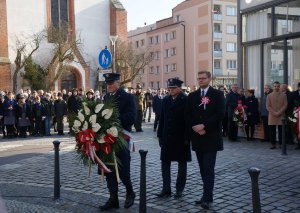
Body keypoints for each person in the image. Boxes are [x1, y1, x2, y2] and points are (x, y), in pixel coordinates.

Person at [185, 71, 225, 210]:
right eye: (199, 78)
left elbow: (220, 114)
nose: (200, 80)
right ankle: (206, 195)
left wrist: (204, 126)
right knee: (202, 168)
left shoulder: (218, 95)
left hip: (211, 137)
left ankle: (207, 198)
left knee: (208, 168)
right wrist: (195, 127)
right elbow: (188, 114)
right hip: (197, 137)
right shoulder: (192, 96)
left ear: (209, 79)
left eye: (203, 78)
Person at [99, 73, 136, 210]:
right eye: (107, 84)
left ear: (118, 83)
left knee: (123, 168)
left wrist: (115, 120)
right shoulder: (106, 97)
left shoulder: (127, 97)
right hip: (107, 138)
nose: (108, 86)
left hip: (121, 137)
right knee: (108, 169)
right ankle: (113, 199)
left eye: (111, 83)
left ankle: (130, 192)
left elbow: (132, 116)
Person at [156, 78, 191, 199]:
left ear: (179, 88)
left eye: (173, 88)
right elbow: (163, 119)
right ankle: (166, 189)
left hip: (181, 138)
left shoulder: (186, 100)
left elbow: (188, 121)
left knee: (182, 165)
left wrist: (187, 137)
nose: (170, 90)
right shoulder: (165, 100)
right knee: (165, 163)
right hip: (167, 136)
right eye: (169, 88)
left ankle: (179, 189)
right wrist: (160, 135)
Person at [266, 81, 287, 149]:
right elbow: (268, 106)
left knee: (281, 131)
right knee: (272, 131)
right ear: (273, 87)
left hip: (281, 115)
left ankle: (281, 144)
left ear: (279, 86)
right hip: (272, 115)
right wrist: (275, 113)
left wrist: (279, 112)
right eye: (275, 86)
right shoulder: (269, 95)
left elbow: (285, 105)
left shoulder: (284, 95)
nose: (276, 87)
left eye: (277, 86)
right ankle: (273, 144)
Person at [290, 82, 300, 149]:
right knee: (296, 128)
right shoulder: (294, 93)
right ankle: (298, 144)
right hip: (296, 113)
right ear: (298, 87)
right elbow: (290, 102)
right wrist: (294, 107)